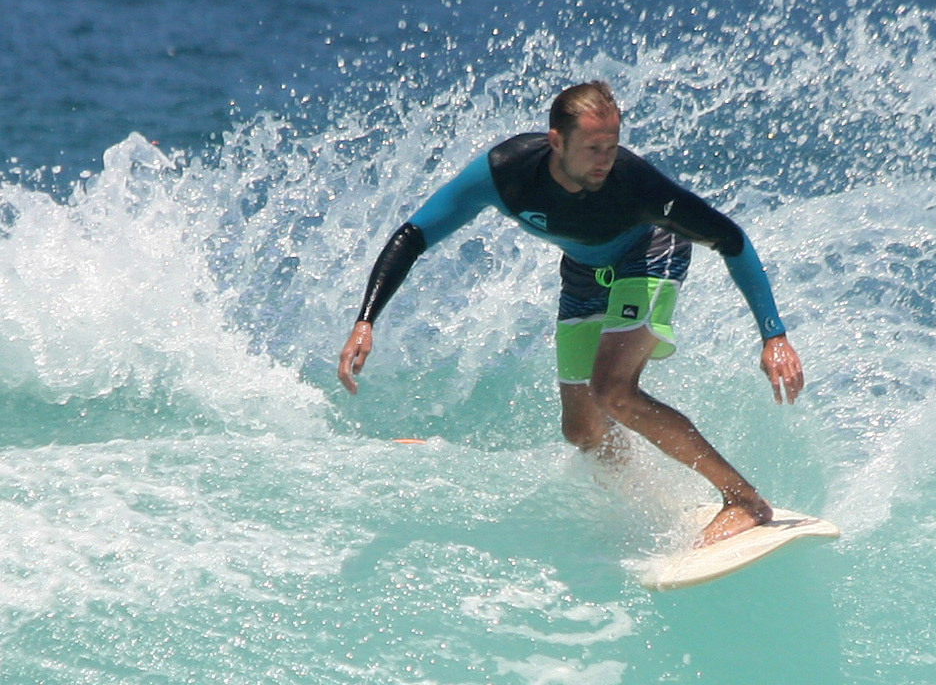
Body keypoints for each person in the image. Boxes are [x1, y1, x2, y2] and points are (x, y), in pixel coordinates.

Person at [338, 81, 804, 547]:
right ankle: (655, 505)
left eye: (613, 146)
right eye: (594, 148)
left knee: (613, 390)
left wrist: (773, 335)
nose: (606, 159)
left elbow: (731, 240)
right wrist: (366, 320)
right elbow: (414, 235)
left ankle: (742, 500)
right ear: (556, 141)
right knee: (582, 429)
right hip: (584, 271)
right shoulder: (506, 172)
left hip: (650, 254)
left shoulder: (638, 186)